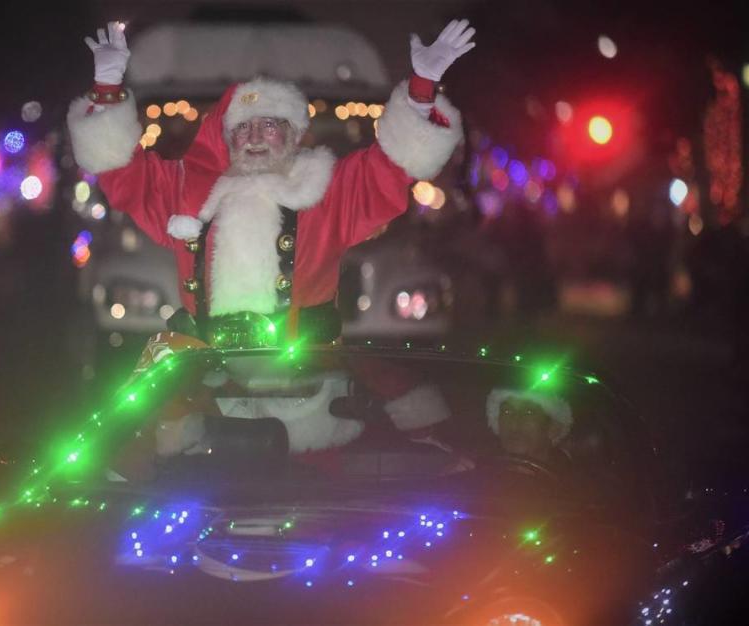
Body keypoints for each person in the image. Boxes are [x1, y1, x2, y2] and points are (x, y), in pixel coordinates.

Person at [67, 19, 475, 345]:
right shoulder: (184, 191)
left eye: (271, 126)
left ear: (295, 135)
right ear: (227, 138)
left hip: (306, 376)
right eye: (244, 128)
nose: (257, 137)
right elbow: (122, 171)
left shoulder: (327, 191)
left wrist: (421, 87)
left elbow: (393, 164)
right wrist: (106, 88)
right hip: (205, 377)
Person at [485, 388, 573, 466]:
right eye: (507, 411)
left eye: (529, 412)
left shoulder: (573, 480)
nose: (515, 421)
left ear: (553, 428)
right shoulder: (481, 472)